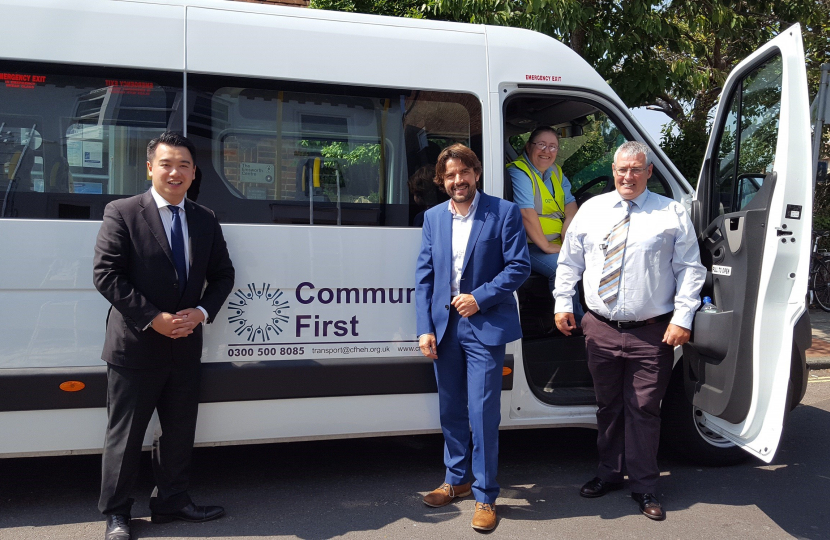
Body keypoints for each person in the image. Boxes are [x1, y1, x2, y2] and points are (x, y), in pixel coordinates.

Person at [93, 132, 235, 540]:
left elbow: (223, 275)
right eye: (167, 164)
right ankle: (117, 514)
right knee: (125, 435)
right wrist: (153, 318)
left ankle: (172, 501)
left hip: (185, 343)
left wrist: (202, 312)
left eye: (184, 165)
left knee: (178, 431)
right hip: (135, 346)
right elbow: (106, 275)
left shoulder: (205, 218)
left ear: (194, 172)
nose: (175, 172)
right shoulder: (123, 212)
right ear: (150, 168)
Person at [553, 141, 704, 521]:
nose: (628, 176)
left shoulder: (670, 212)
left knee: (644, 410)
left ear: (649, 171)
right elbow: (569, 262)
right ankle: (609, 473)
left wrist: (683, 317)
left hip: (652, 332)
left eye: (636, 169)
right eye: (622, 169)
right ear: (613, 170)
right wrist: (562, 302)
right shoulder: (592, 210)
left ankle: (645, 485)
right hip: (600, 327)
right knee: (608, 407)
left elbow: (690, 268)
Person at [415, 143, 530, 531]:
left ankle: (485, 496)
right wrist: (424, 328)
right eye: (450, 175)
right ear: (441, 181)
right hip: (444, 327)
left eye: (464, 172)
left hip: (484, 326)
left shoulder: (503, 212)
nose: (458, 180)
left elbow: (519, 266)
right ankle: (456, 480)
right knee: (450, 410)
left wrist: (479, 298)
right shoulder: (433, 218)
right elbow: (424, 277)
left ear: (476, 173)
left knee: (482, 414)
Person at [506, 127, 582, 317]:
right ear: (528, 146)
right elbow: (526, 212)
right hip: (528, 244)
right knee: (563, 268)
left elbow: (571, 207)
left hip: (556, 241)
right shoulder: (519, 171)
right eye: (541, 144)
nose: (547, 151)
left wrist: (566, 238)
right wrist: (547, 246)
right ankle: (574, 322)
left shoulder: (556, 171)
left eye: (553, 146)